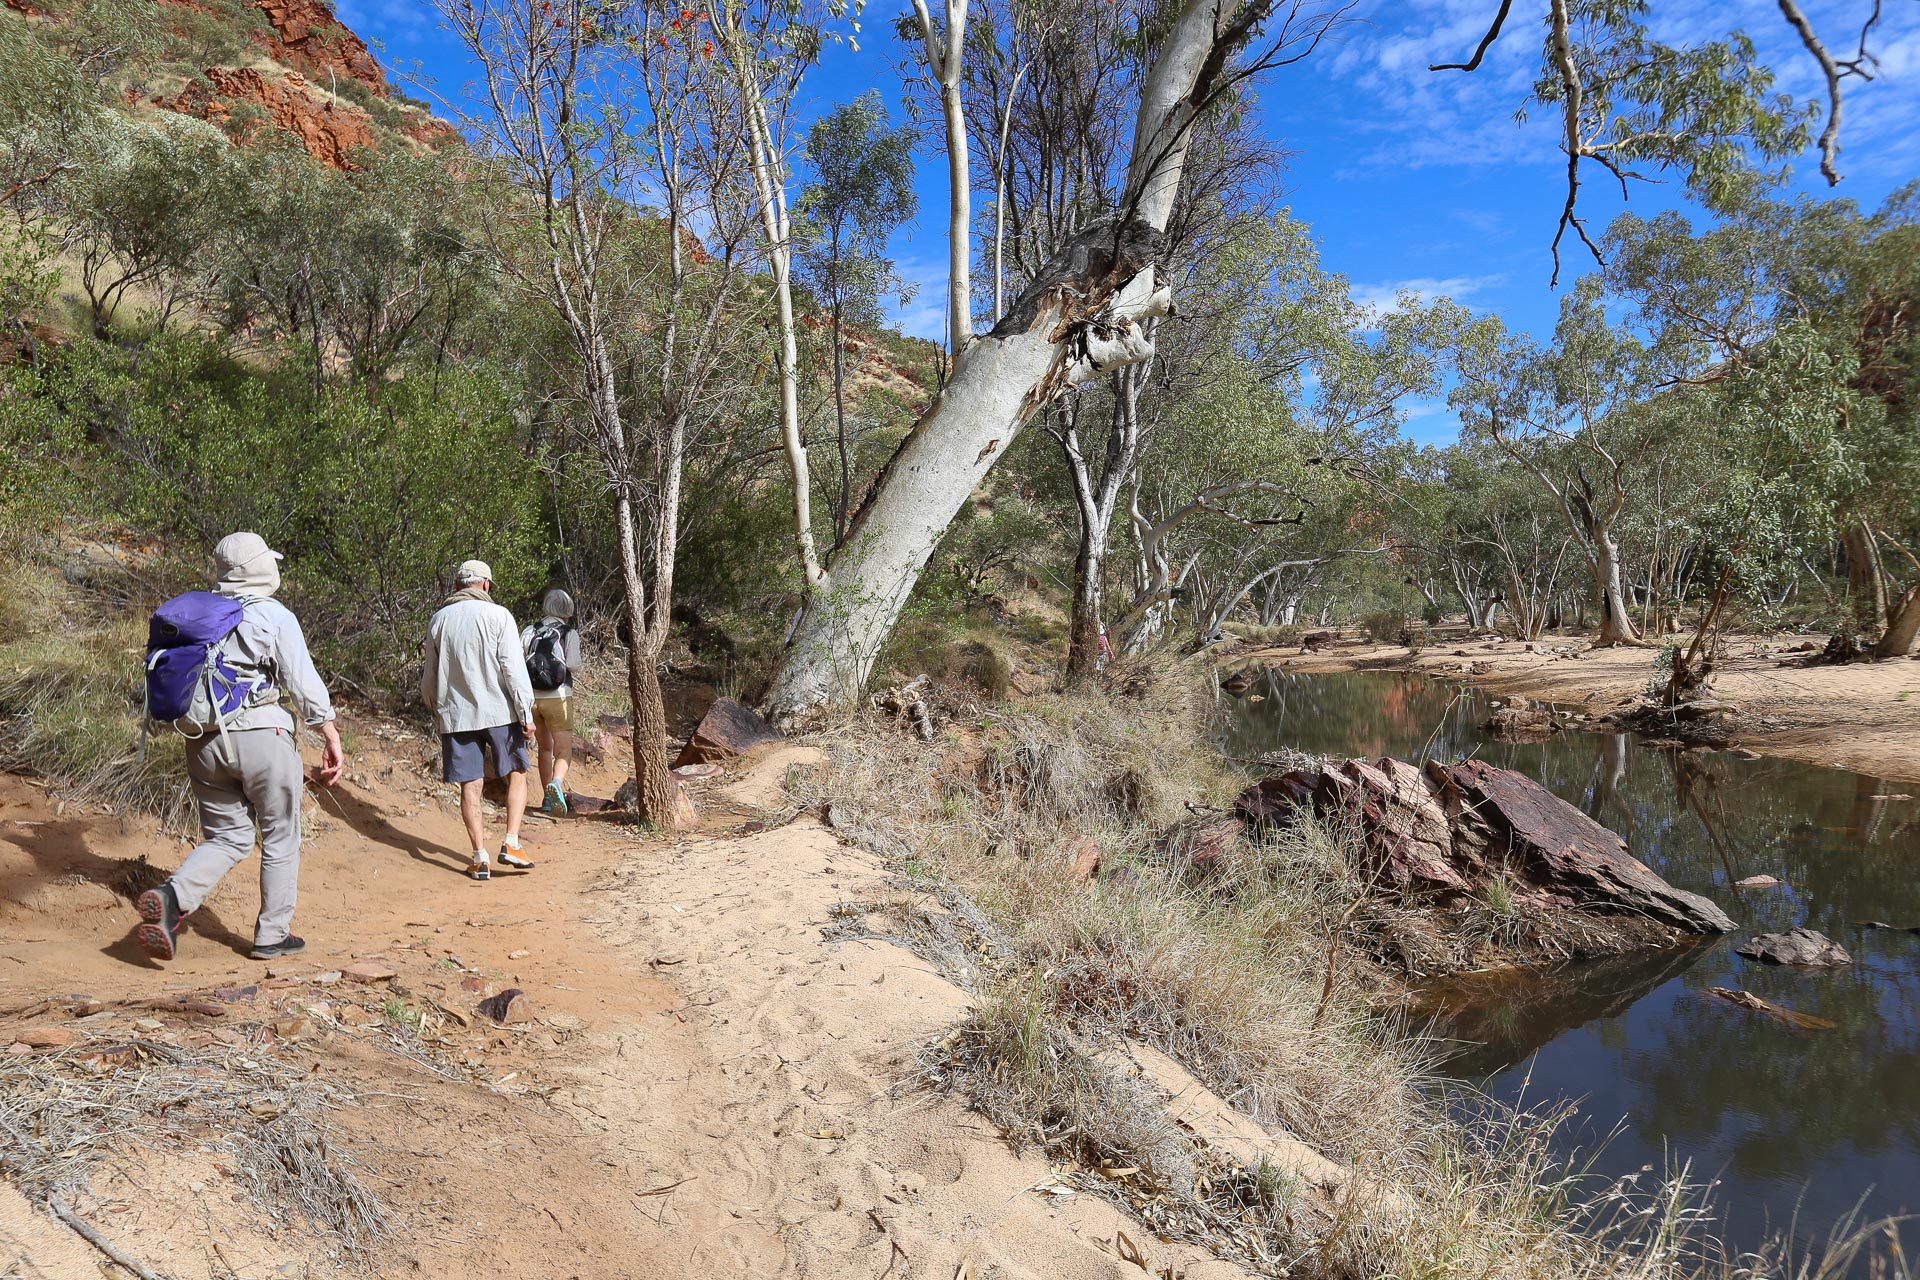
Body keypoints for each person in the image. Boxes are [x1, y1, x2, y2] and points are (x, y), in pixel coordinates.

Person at [136, 532, 344, 962]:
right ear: (261, 568)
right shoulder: (272, 615)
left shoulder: (199, 615)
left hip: (203, 741)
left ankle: (172, 898)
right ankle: (272, 933)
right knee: (281, 834)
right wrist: (328, 731)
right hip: (262, 737)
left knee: (228, 837)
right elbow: (301, 683)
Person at [422, 560, 536, 881]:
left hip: (456, 715)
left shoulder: (438, 620)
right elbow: (513, 669)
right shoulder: (499, 615)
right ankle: (512, 842)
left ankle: (479, 857)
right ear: (485, 585)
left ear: (459, 585)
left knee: (470, 784)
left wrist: (437, 710)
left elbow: (429, 678)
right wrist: (525, 713)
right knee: (517, 772)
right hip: (500, 710)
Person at [520, 588, 581, 817]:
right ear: (567, 610)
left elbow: (517, 659)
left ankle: (547, 798)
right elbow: (574, 665)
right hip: (559, 697)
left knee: (544, 748)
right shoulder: (568, 633)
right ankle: (556, 784)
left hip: (532, 698)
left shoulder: (530, 630)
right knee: (563, 751)